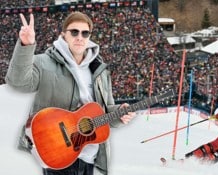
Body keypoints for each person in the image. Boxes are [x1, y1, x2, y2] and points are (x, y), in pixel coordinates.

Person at [5, 12, 136, 175]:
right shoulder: (44, 62)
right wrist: (26, 45)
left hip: (89, 157)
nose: (79, 37)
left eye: (85, 33)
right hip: (58, 153)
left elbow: (104, 112)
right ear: (63, 35)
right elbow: (17, 83)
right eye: (74, 32)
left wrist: (119, 114)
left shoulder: (100, 70)